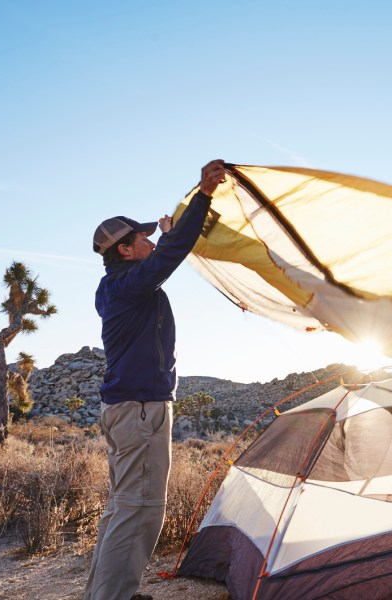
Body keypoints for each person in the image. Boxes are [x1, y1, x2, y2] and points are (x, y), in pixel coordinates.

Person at [84, 159, 226, 600]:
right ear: (124, 250)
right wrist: (202, 197)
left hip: (127, 409)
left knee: (122, 509)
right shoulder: (128, 286)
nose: (148, 240)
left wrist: (166, 236)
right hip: (141, 410)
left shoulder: (118, 287)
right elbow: (169, 255)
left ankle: (105, 595)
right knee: (141, 511)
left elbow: (162, 256)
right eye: (140, 237)